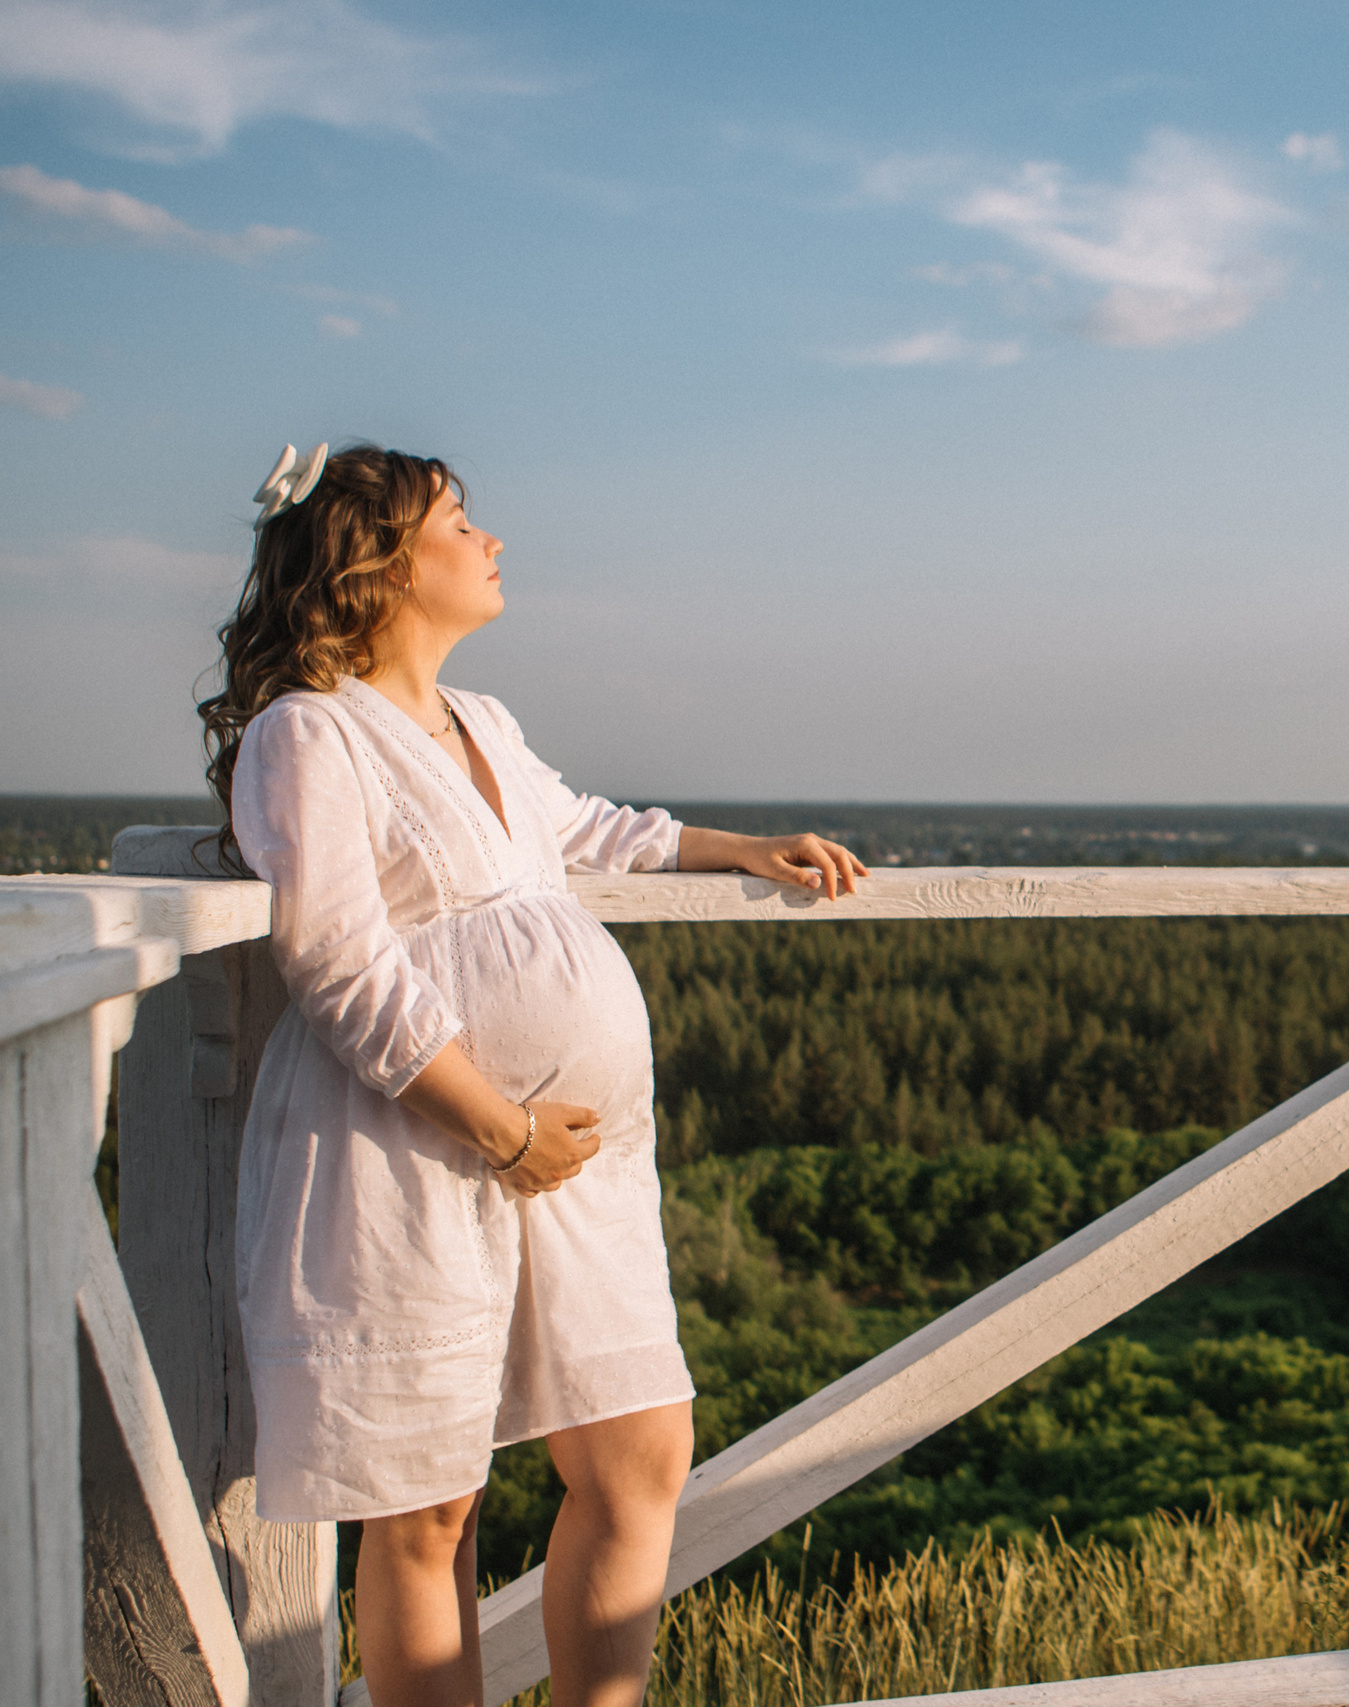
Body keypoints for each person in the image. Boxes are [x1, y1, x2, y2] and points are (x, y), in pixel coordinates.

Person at [197, 442, 865, 1707]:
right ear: (378, 564)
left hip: (578, 1171)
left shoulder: (480, 723)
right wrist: (499, 1128)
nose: (490, 541)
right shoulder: (307, 734)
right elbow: (336, 961)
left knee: (640, 1449)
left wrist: (744, 847)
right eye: (460, 521)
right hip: (409, 1141)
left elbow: (588, 830)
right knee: (428, 1504)